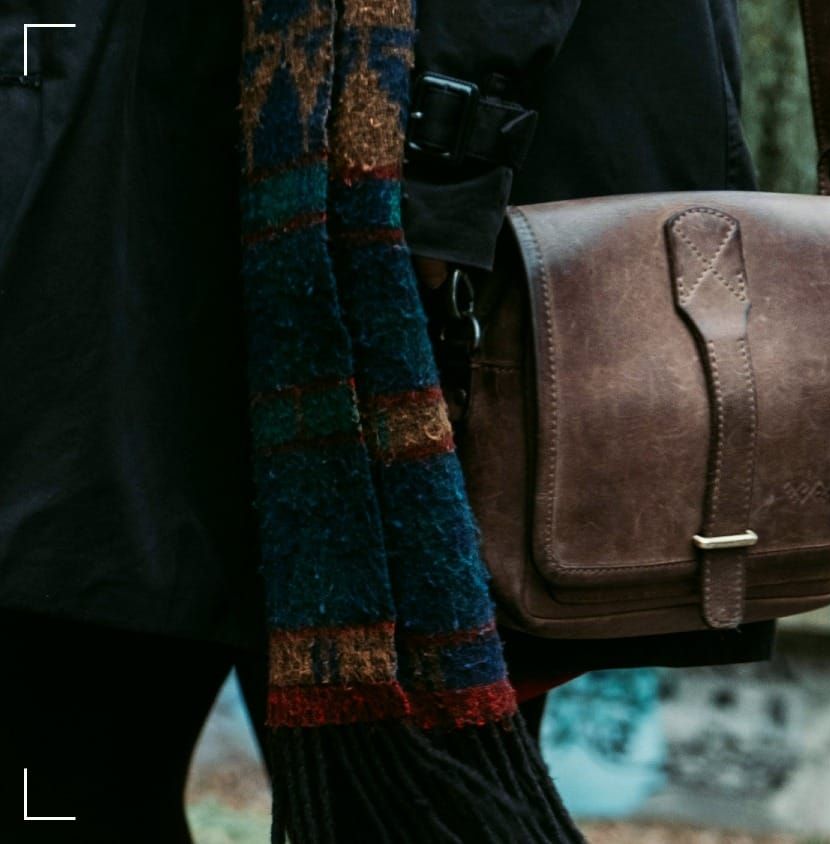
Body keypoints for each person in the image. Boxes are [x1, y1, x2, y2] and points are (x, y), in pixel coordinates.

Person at [0, 0, 769, 840]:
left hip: (415, 222)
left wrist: (444, 154)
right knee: (60, 774)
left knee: (413, 798)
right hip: (131, 197)